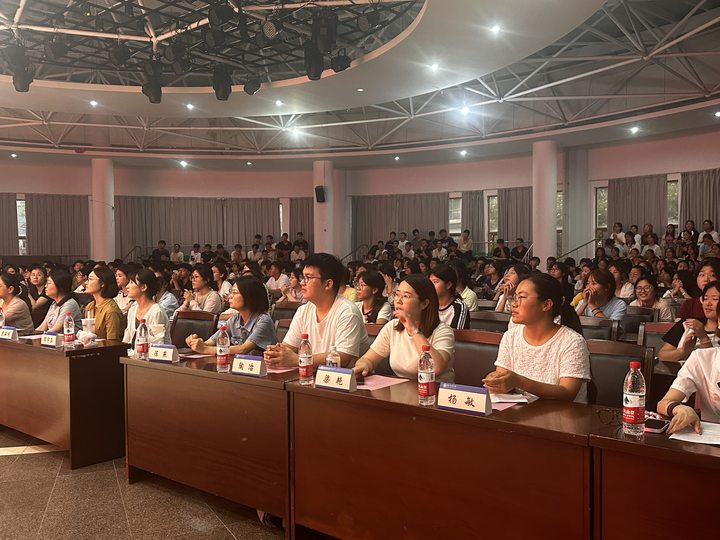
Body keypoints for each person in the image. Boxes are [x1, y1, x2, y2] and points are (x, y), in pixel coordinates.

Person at [483, 273, 590, 402]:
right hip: (520, 411)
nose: (513, 304)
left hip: (561, 413)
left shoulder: (572, 342)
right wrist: (496, 381)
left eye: (521, 297)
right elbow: (503, 379)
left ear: (546, 305)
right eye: (514, 297)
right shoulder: (510, 337)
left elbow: (568, 392)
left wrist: (519, 381)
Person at [264, 253, 369, 368]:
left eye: (308, 278)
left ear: (328, 284)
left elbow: (343, 357)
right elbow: (288, 347)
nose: (302, 283)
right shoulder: (303, 311)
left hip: (342, 377)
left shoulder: (348, 312)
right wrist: (276, 354)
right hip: (311, 374)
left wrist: (299, 360)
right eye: (302, 277)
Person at [353, 274, 455, 381]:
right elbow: (368, 359)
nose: (398, 300)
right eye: (397, 294)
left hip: (434, 388)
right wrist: (364, 365)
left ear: (424, 303)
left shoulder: (443, 331)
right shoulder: (392, 327)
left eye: (406, 296)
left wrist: (413, 330)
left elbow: (436, 368)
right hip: (402, 388)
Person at [187, 277, 277, 356]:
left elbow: (243, 349)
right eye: (231, 292)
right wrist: (196, 342)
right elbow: (210, 342)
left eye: (235, 292)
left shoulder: (263, 320)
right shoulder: (235, 319)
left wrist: (205, 349)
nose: (230, 296)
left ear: (249, 296)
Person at [658, 281, 719, 363]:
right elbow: (662, 355)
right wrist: (682, 351)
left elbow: (714, 364)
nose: (708, 303)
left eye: (715, 299)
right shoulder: (688, 324)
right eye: (705, 298)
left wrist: (703, 338)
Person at [122, 269, 170, 345]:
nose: (127, 286)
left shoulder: (156, 312)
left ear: (143, 287)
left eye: (131, 282)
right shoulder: (133, 309)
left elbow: (158, 343)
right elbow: (127, 337)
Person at [35, 267, 83, 333]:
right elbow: (42, 327)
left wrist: (42, 336)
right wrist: (30, 334)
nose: (45, 286)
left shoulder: (70, 304)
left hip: (68, 338)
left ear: (60, 286)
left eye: (49, 283)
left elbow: (56, 329)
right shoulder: (54, 303)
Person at [83, 267, 123, 340]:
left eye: (90, 279)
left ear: (102, 283)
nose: (86, 283)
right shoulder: (90, 306)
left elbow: (113, 341)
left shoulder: (111, 310)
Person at [428, 265, 470, 329]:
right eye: (429, 282)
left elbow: (457, 333)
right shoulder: (428, 304)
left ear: (448, 285)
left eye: (435, 282)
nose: (431, 286)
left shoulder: (459, 307)